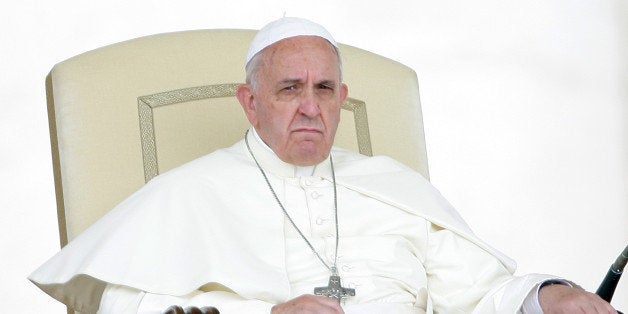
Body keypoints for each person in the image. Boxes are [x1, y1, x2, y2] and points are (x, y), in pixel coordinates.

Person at [30, 17, 617, 314]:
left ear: (342, 99)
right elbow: (119, 304)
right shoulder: (189, 192)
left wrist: (549, 295)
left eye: (325, 88)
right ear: (250, 102)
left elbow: (480, 293)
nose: (311, 106)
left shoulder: (394, 186)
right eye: (289, 88)